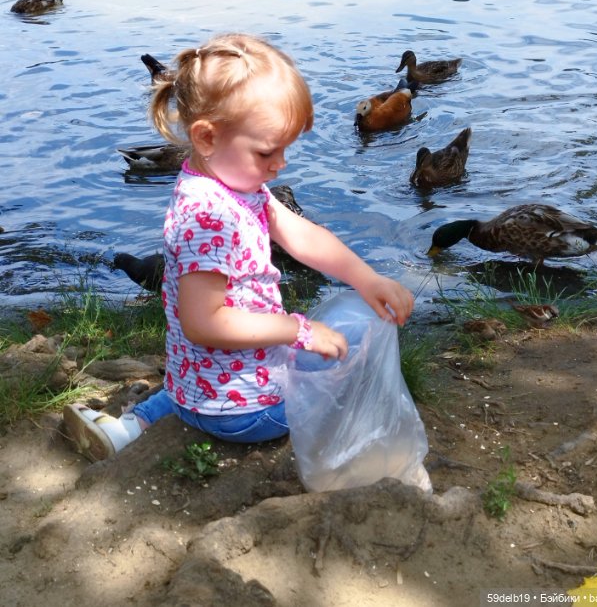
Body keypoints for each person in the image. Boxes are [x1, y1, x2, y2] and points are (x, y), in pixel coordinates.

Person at [64, 33, 414, 461]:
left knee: (330, 331)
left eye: (285, 149)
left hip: (197, 385)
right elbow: (205, 323)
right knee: (351, 343)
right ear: (207, 137)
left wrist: (366, 277)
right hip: (249, 411)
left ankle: (128, 428)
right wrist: (300, 330)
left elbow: (301, 234)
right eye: (268, 151)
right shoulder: (208, 216)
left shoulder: (230, 183)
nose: (280, 163)